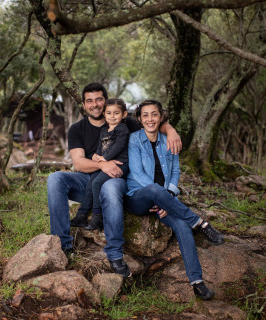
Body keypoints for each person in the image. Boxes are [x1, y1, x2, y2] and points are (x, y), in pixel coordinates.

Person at [47, 83, 182, 279]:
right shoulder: (77, 129)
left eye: (99, 99)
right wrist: (103, 164)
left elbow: (153, 123)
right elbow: (79, 164)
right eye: (90, 101)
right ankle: (63, 245)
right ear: (84, 105)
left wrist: (170, 130)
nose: (95, 105)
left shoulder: (123, 122)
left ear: (106, 100)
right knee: (55, 178)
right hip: (89, 180)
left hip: (118, 180)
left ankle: (115, 254)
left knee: (110, 188)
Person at [124, 100, 224, 300]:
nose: (150, 119)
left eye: (154, 114)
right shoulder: (134, 140)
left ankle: (197, 283)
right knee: (153, 188)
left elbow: (176, 171)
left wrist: (167, 196)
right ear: (139, 119)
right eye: (145, 115)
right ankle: (200, 223)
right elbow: (137, 174)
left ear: (161, 117)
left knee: (182, 227)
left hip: (164, 200)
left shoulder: (169, 141)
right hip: (138, 198)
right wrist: (160, 197)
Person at [71, 98, 130, 231]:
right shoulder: (104, 130)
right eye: (109, 113)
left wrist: (105, 158)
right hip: (105, 163)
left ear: (124, 114)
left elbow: (118, 147)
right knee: (91, 182)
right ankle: (82, 214)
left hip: (120, 164)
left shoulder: (122, 129)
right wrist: (96, 156)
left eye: (116, 113)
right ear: (104, 114)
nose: (112, 116)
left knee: (97, 183)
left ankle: (97, 216)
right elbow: (100, 146)